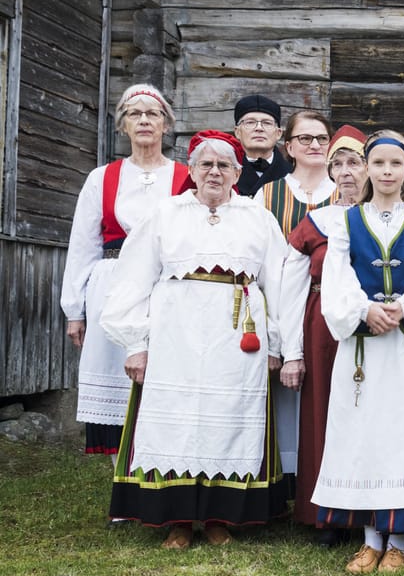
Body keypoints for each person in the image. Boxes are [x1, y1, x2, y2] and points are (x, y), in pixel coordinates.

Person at [100, 129, 290, 548]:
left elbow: (278, 282)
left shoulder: (257, 217)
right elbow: (132, 278)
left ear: (238, 172)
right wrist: (136, 343)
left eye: (224, 165)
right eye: (207, 164)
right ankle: (179, 521)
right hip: (176, 338)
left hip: (238, 336)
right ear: (192, 169)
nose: (215, 172)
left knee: (230, 418)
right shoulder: (167, 214)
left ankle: (222, 518)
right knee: (177, 420)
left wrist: (278, 345)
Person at [311, 131, 404, 574]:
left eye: (396, 164)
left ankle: (398, 541)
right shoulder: (346, 221)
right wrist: (366, 309)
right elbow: (336, 283)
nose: (388, 172)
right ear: (365, 169)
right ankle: (369, 539)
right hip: (365, 348)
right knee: (364, 437)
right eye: (379, 164)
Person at [61, 85, 189, 465]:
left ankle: (162, 467)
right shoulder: (102, 177)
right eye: (135, 114)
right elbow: (82, 243)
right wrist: (74, 309)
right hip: (112, 282)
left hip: (167, 285)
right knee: (118, 373)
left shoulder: (185, 177)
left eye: (153, 114)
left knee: (166, 374)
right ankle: (122, 478)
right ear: (123, 126)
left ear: (166, 125)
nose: (145, 120)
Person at [278, 125, 367, 545]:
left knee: (366, 413)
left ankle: (369, 508)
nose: (347, 172)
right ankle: (327, 514)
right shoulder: (318, 222)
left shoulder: (386, 218)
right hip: (322, 327)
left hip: (373, 326)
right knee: (323, 416)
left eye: (355, 162)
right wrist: (292, 352)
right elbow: (291, 288)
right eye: (339, 165)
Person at [255, 110, 338, 485]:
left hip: (326, 302)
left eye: (322, 138)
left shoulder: (343, 191)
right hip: (278, 298)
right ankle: (284, 477)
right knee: (283, 389)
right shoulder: (269, 193)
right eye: (305, 138)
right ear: (288, 146)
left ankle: (320, 472)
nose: (315, 145)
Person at [233, 94, 290, 196]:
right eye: (250, 122)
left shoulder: (292, 174)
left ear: (278, 133)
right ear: (237, 132)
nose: (259, 128)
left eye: (267, 123)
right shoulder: (225, 172)